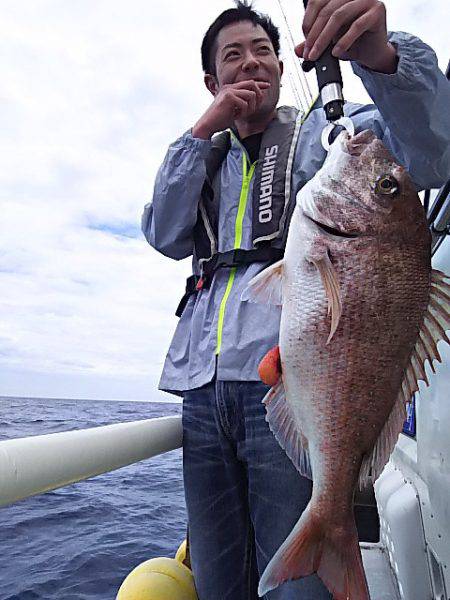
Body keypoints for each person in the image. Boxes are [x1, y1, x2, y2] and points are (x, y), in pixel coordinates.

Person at [142, 1, 450, 598]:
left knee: (294, 588)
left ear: (283, 67)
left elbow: (431, 152)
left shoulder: (326, 136)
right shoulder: (203, 158)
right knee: (216, 574)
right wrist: (204, 129)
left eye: (262, 51)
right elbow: (163, 232)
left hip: (288, 385)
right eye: (232, 56)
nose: (251, 63)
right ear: (213, 81)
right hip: (202, 396)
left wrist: (380, 58)